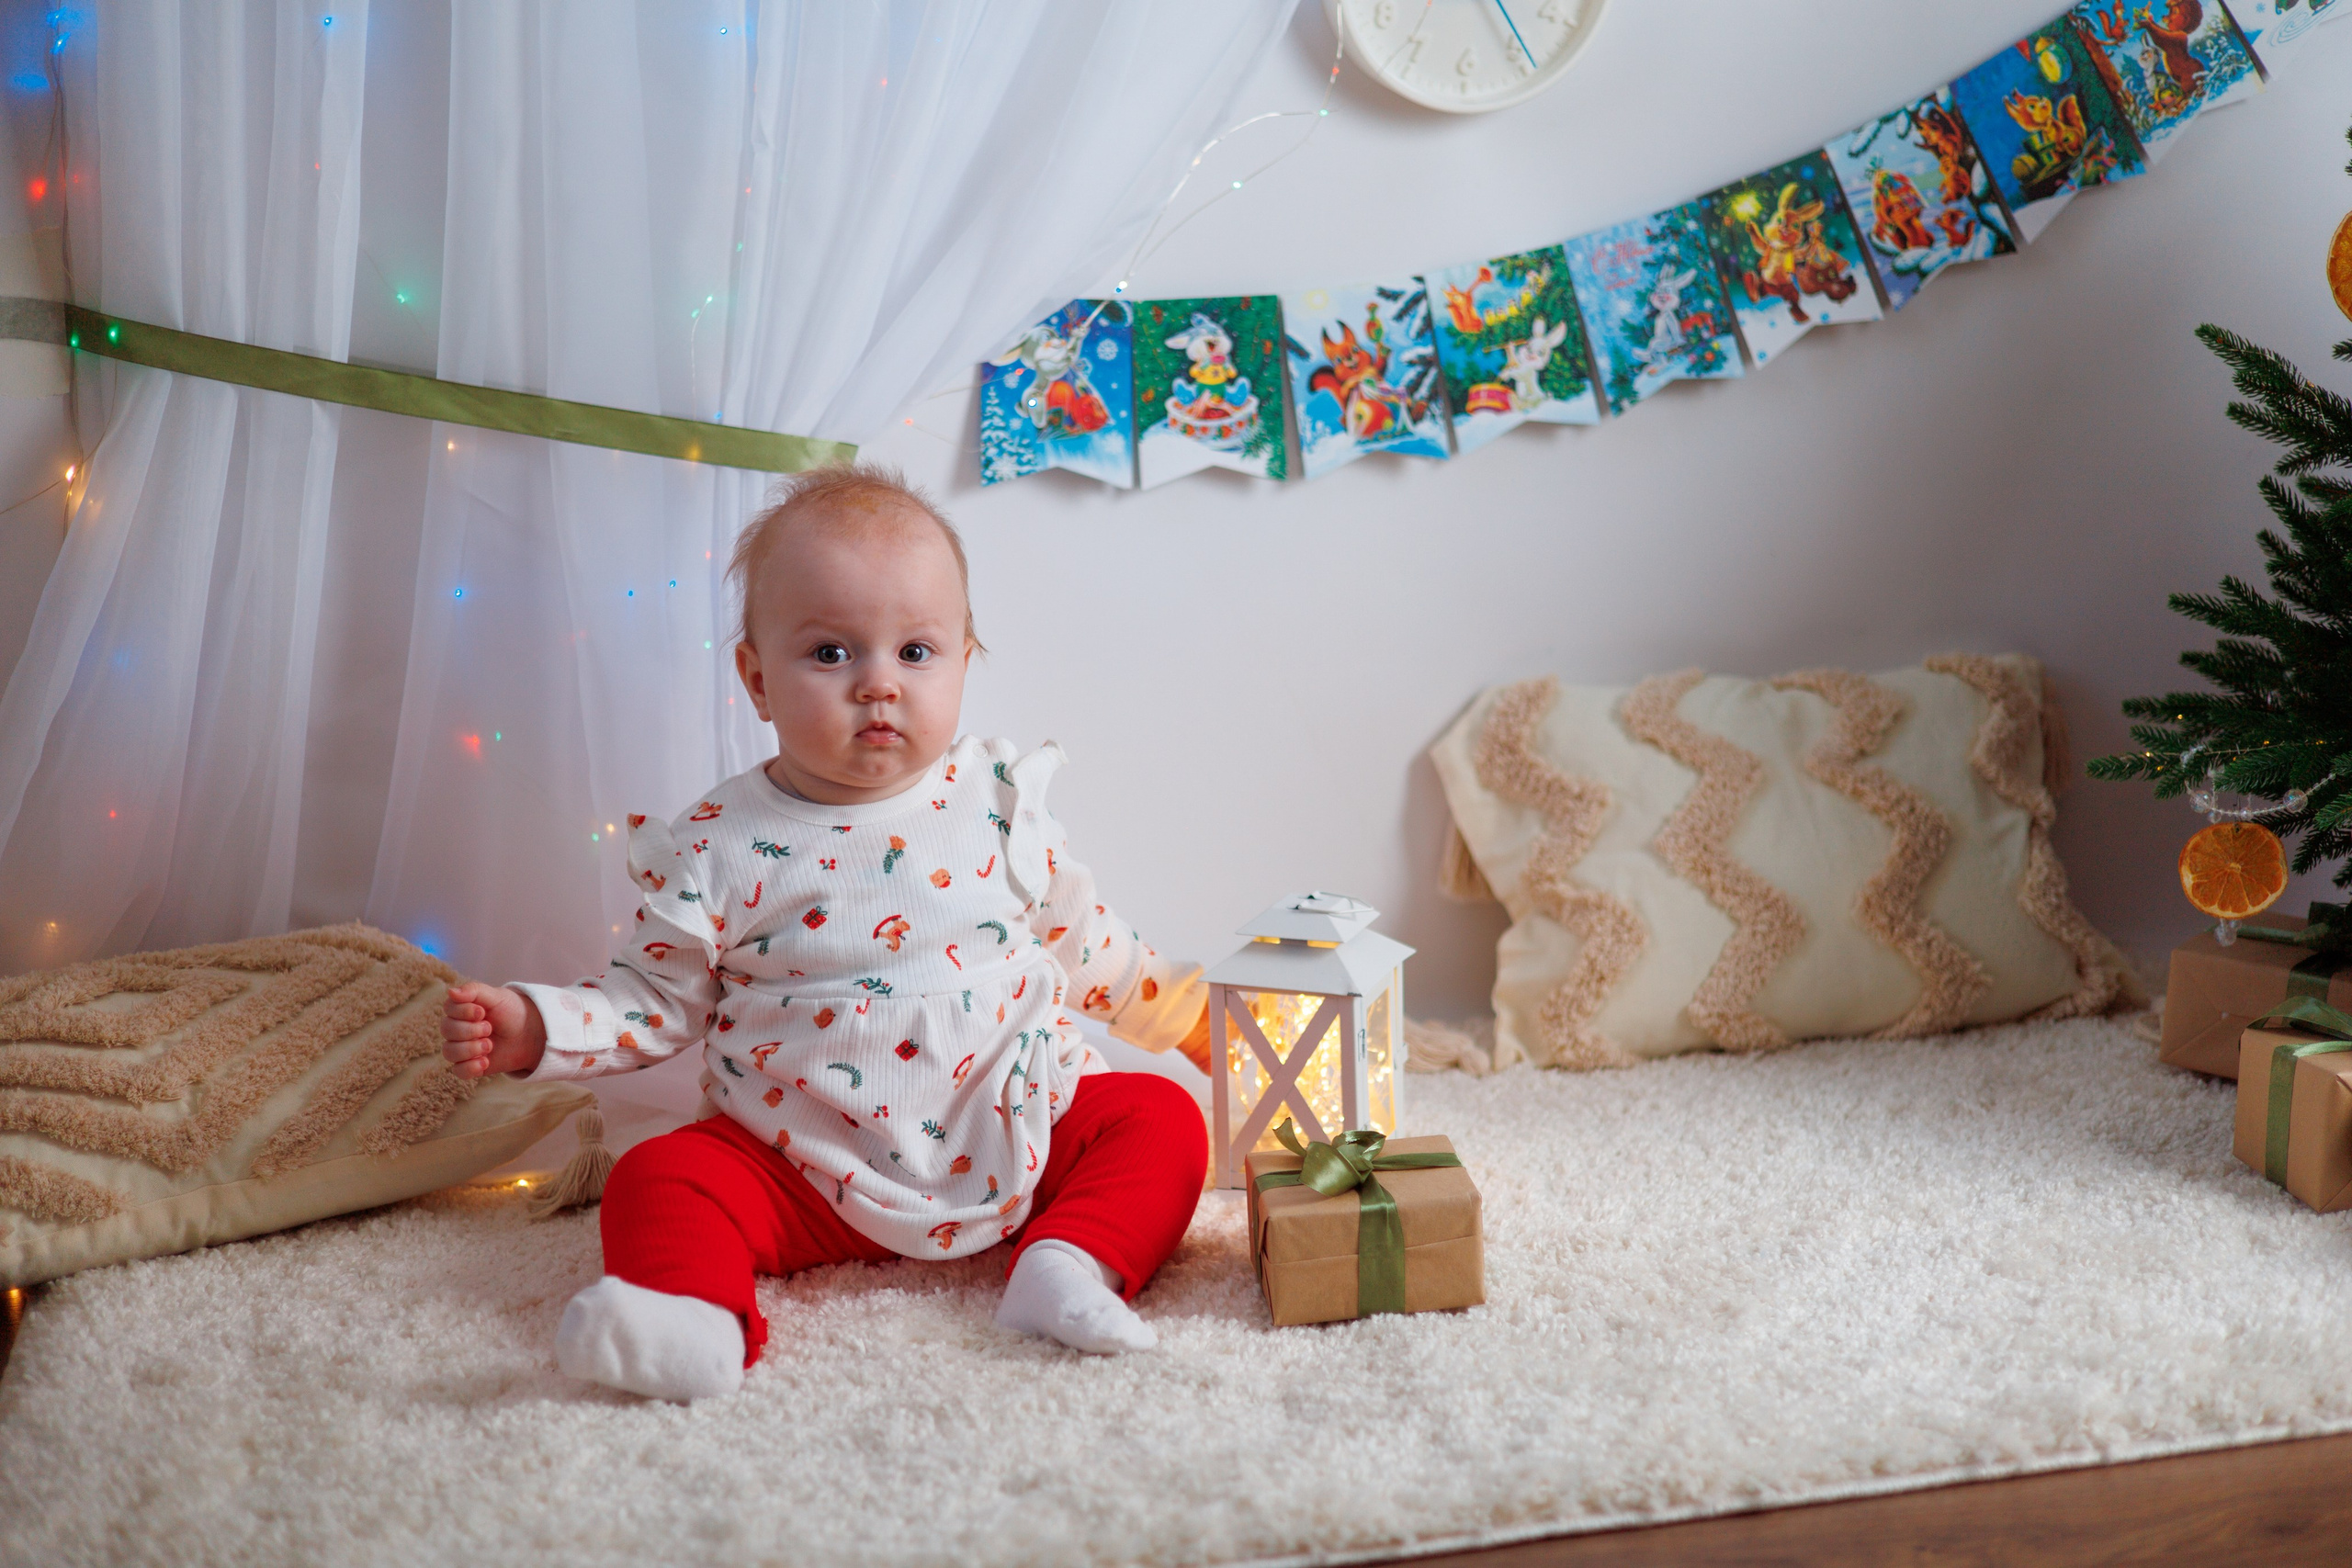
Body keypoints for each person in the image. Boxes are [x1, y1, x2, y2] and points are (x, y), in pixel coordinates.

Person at [439, 463, 1214, 1401]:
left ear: (966, 660)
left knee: (1159, 1117)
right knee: (661, 1176)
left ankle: (1067, 1262)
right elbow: (653, 999)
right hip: (795, 1163)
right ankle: (697, 1319)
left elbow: (1087, 943)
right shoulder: (721, 846)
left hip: (1011, 1125)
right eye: (832, 654)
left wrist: (1187, 1018)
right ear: (756, 680)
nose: (878, 686)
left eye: (916, 653)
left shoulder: (997, 806)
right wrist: (536, 1025)